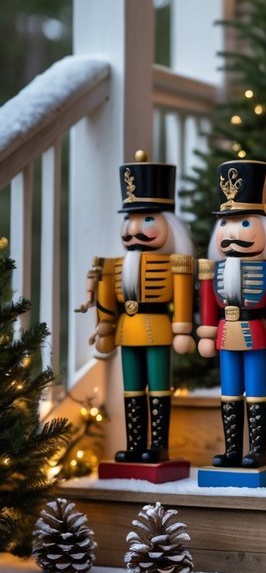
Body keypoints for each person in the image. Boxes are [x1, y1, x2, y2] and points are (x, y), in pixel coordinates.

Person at [87, 152, 195, 463]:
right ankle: (135, 444)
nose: (134, 228)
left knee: (159, 389)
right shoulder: (115, 264)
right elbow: (107, 299)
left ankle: (158, 445)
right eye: (129, 219)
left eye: (147, 219)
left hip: (160, 328)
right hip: (126, 332)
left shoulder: (176, 262)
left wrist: (182, 329)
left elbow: (183, 295)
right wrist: (105, 326)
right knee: (132, 390)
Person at [197, 160, 266, 468]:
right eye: (225, 224)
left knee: (256, 395)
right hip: (226, 333)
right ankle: (232, 450)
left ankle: (257, 451)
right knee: (229, 395)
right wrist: (207, 332)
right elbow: (209, 304)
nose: (232, 233)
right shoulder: (215, 268)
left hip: (256, 333)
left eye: (245, 224)